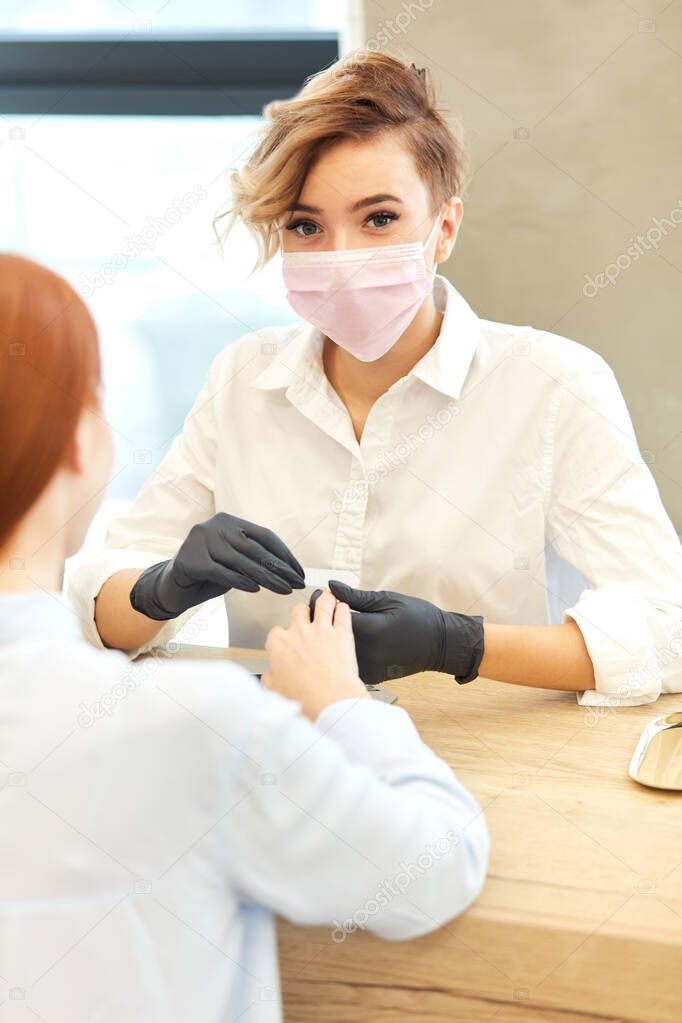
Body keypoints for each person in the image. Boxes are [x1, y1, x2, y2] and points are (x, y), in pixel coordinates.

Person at [68, 50, 682, 706]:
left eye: (379, 218)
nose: (341, 258)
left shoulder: (554, 385)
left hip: (485, 777)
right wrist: (163, 587)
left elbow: (667, 628)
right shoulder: (241, 379)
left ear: (443, 228)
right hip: (278, 767)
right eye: (307, 226)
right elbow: (99, 611)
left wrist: (460, 643)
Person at [0, 254, 488, 1022]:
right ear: (82, 444)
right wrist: (344, 707)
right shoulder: (190, 727)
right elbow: (434, 865)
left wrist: (465, 640)